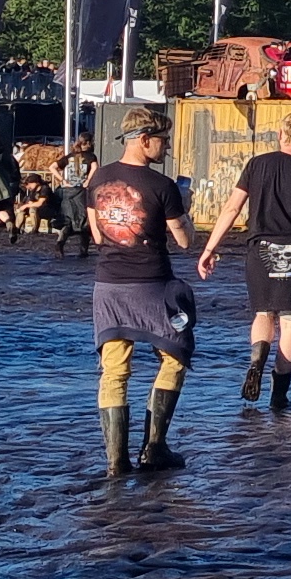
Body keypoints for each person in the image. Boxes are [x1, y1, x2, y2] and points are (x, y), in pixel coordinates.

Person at [81, 109, 198, 478]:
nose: (165, 146)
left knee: (114, 370)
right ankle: (155, 447)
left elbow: (98, 236)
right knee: (176, 354)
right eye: (162, 139)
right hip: (150, 282)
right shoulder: (162, 186)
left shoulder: (98, 178)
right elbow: (183, 240)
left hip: (109, 285)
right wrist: (186, 207)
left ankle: (117, 461)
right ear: (144, 139)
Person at [201, 112, 291, 412]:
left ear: (280, 134)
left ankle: (256, 361)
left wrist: (210, 248)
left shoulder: (256, 165)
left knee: (264, 313)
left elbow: (231, 208)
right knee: (290, 326)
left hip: (260, 250)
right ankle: (279, 396)